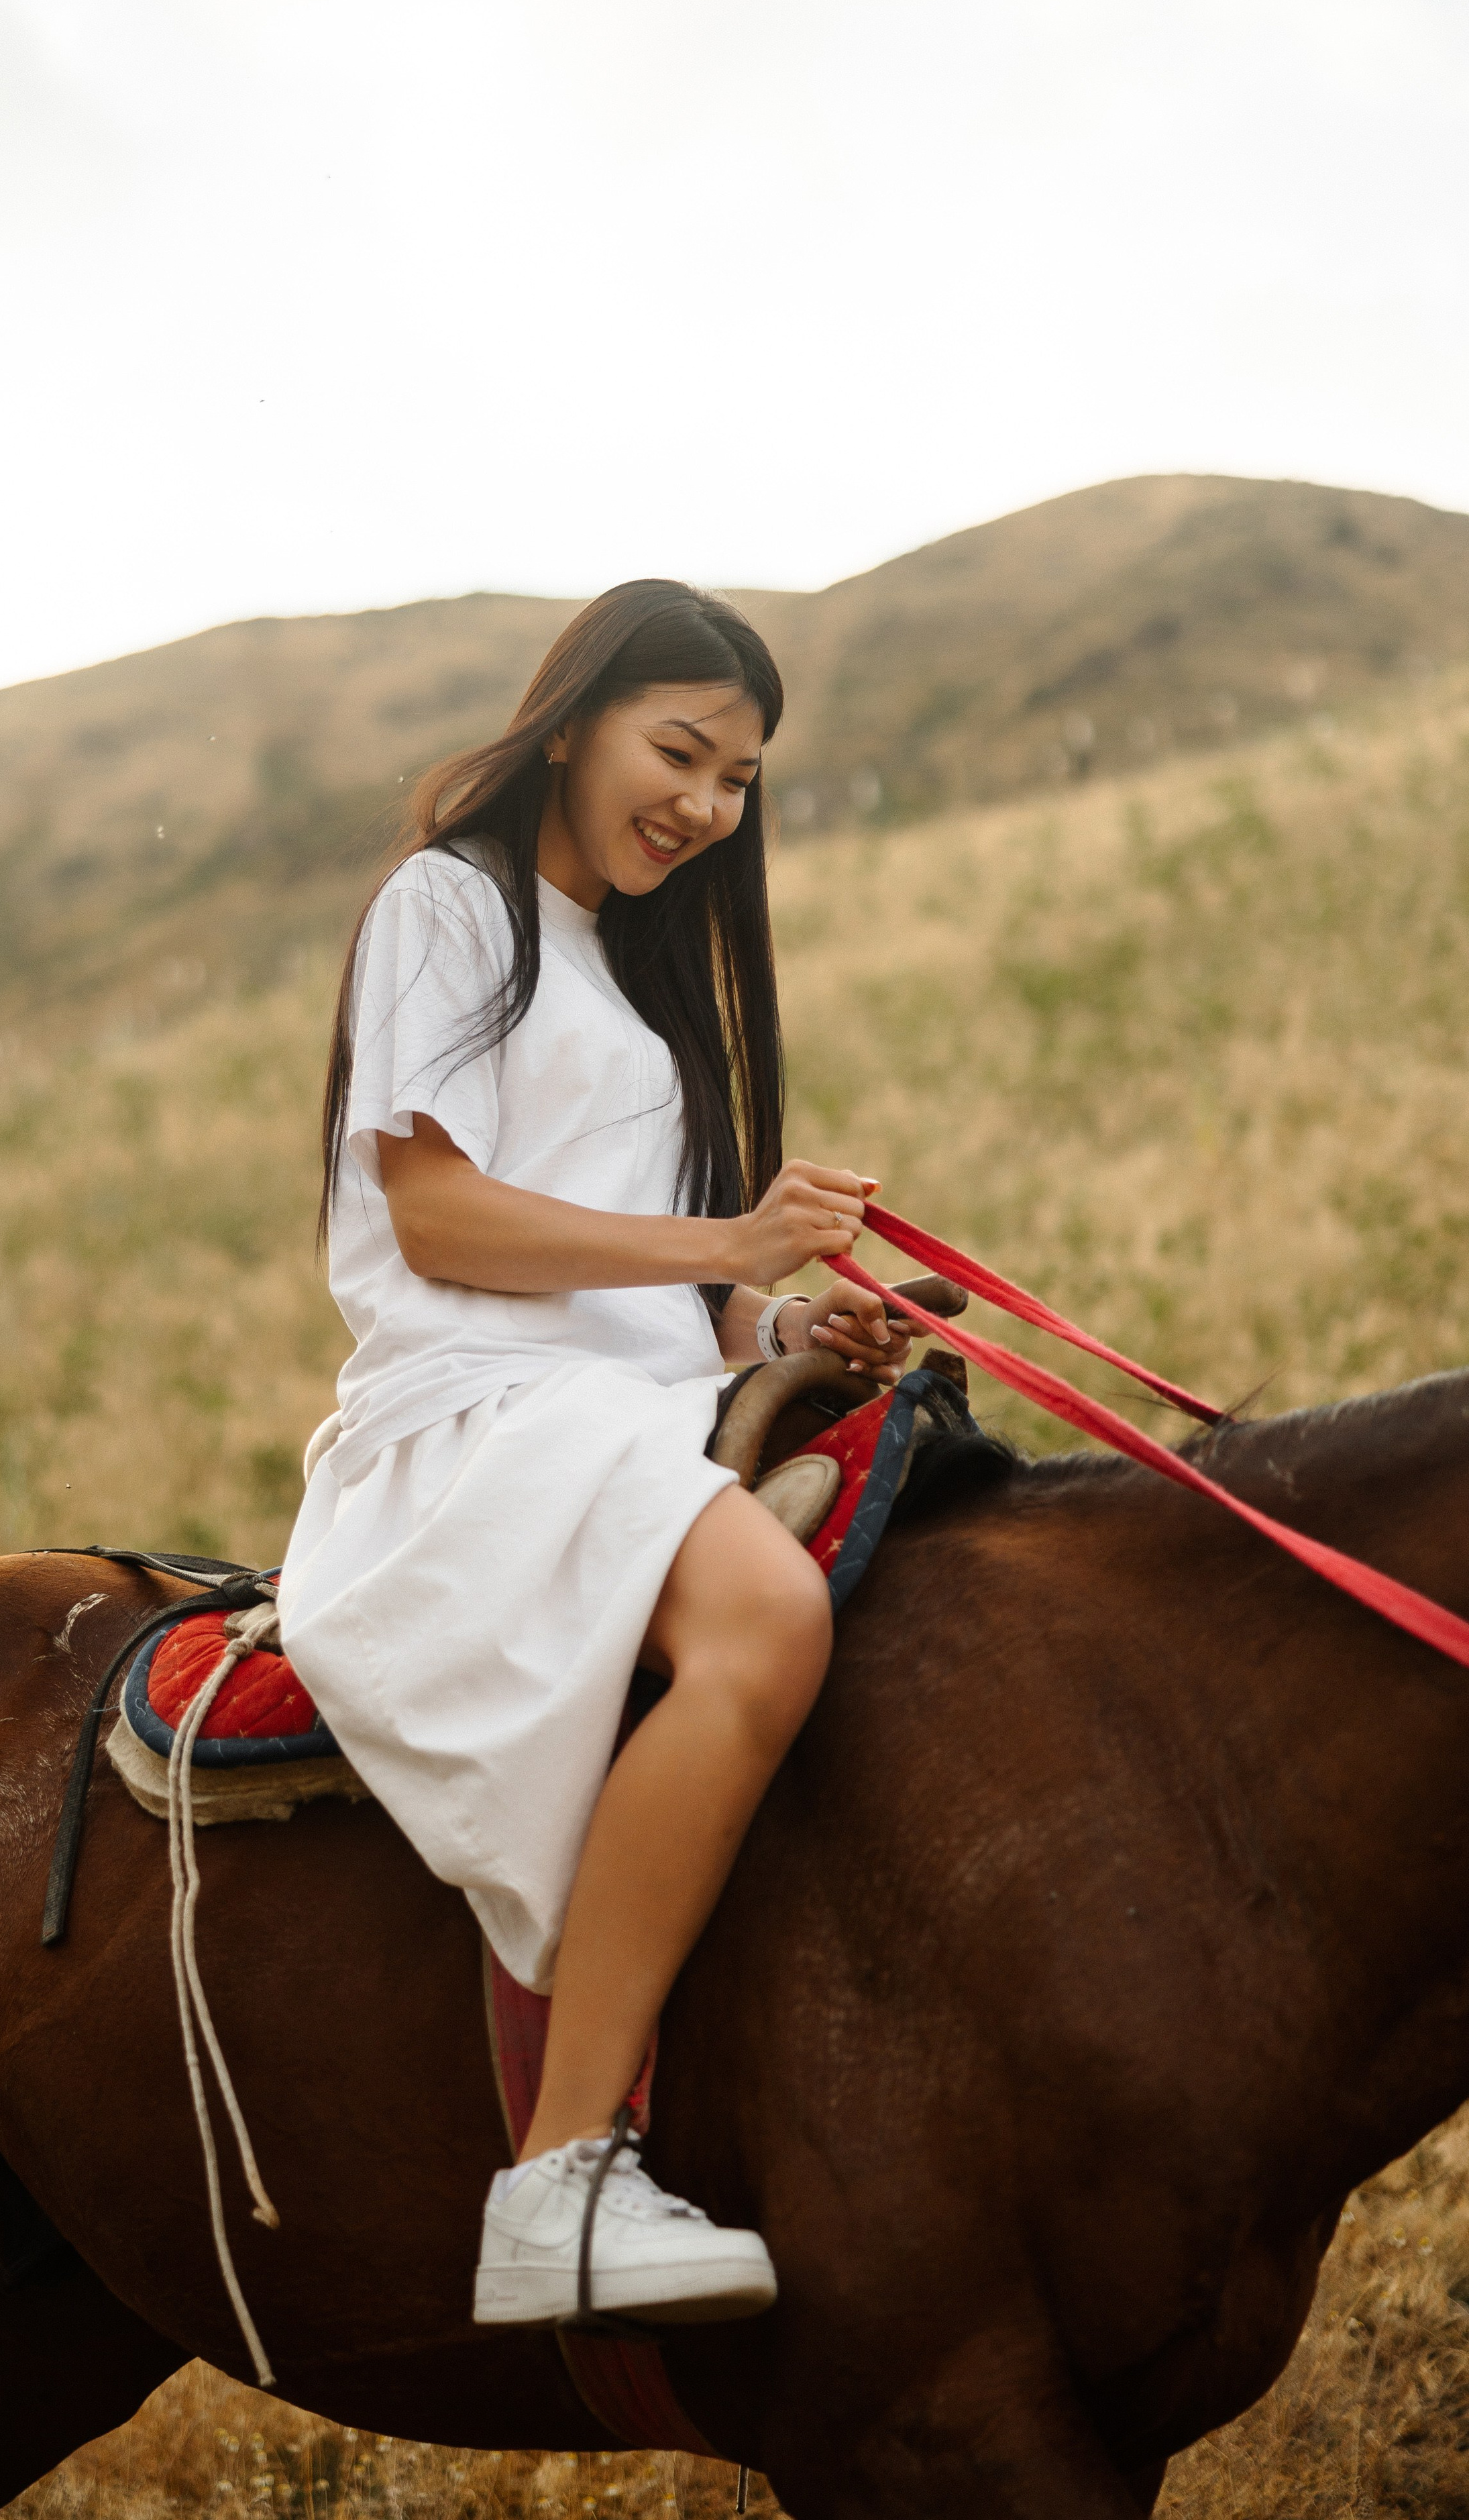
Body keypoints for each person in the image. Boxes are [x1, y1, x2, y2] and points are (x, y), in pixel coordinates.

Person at [277, 580, 914, 2327]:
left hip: (608, 1406)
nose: (706, 802)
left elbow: (630, 1299)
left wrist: (781, 1330)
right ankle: (559, 2180)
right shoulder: (450, 903)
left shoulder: (629, 988)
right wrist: (730, 1248)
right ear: (571, 723)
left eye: (740, 778)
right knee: (771, 1623)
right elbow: (443, 1221)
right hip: (473, 1420)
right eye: (681, 748)